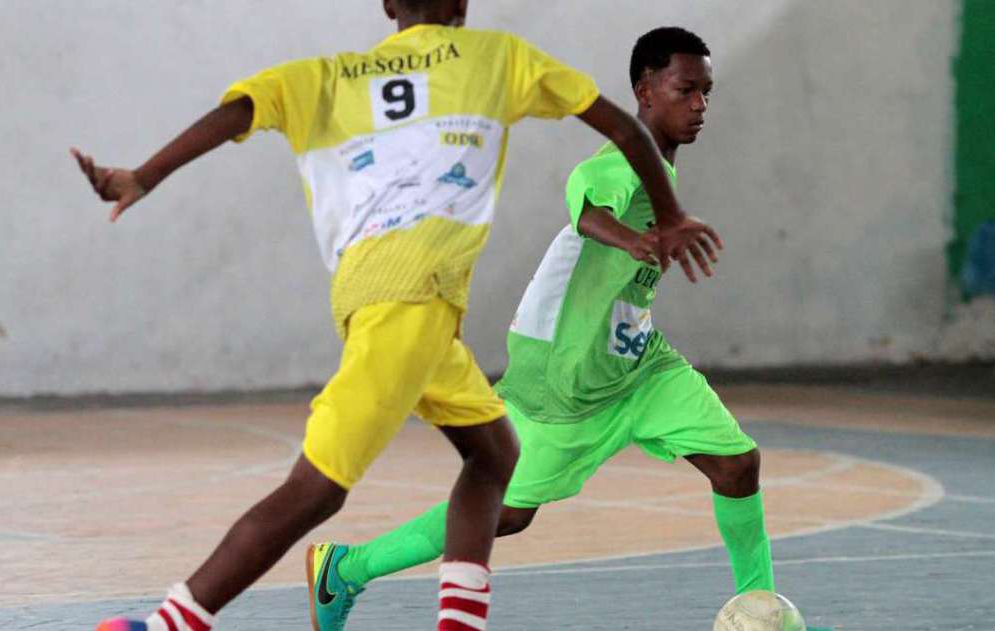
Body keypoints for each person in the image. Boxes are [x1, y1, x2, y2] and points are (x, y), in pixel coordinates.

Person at [71, 2, 721, 630]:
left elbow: (238, 110)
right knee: (317, 489)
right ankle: (169, 624)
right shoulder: (498, 59)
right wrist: (669, 213)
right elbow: (625, 128)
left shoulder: (324, 77)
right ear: (463, 4)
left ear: (387, 7)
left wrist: (146, 175)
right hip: (407, 310)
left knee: (495, 455)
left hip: (397, 306)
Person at [309, 26, 777, 631]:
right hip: (563, 372)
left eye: (706, 92)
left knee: (737, 465)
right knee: (505, 513)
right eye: (686, 90)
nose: (700, 105)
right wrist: (634, 238)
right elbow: (584, 205)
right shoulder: (620, 163)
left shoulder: (663, 174)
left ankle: (762, 614)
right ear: (644, 91)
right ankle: (346, 568)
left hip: (636, 362)